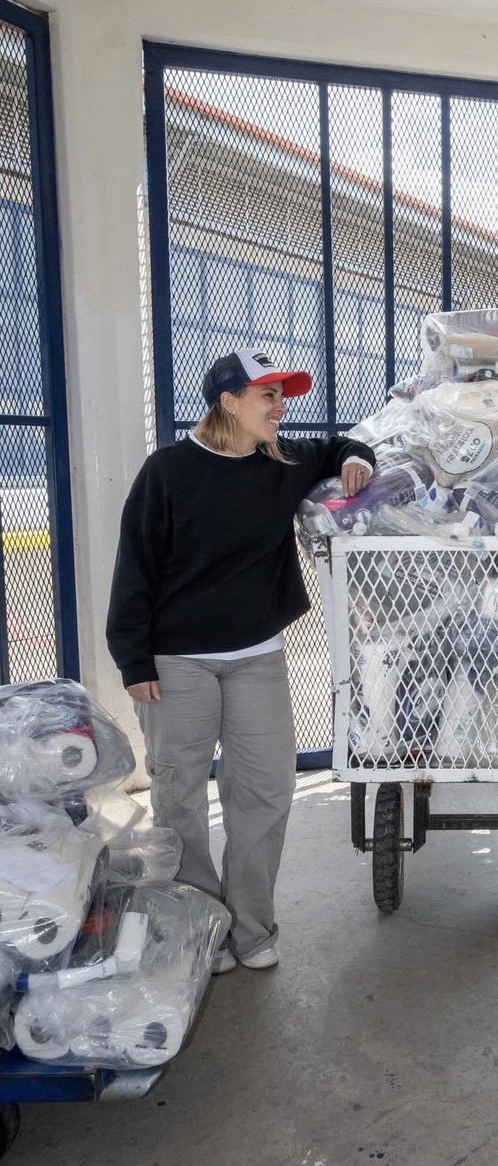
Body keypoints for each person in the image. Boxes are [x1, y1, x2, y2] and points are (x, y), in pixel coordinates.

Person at [107, 347, 375, 974]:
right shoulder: (168, 471)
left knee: (266, 791)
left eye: (284, 396)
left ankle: (251, 930)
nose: (282, 408)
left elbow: (341, 446)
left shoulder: (279, 463)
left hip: (257, 656)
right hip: (177, 662)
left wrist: (359, 458)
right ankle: (202, 925)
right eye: (269, 397)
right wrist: (133, 658)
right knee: (180, 798)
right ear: (229, 402)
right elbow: (135, 564)